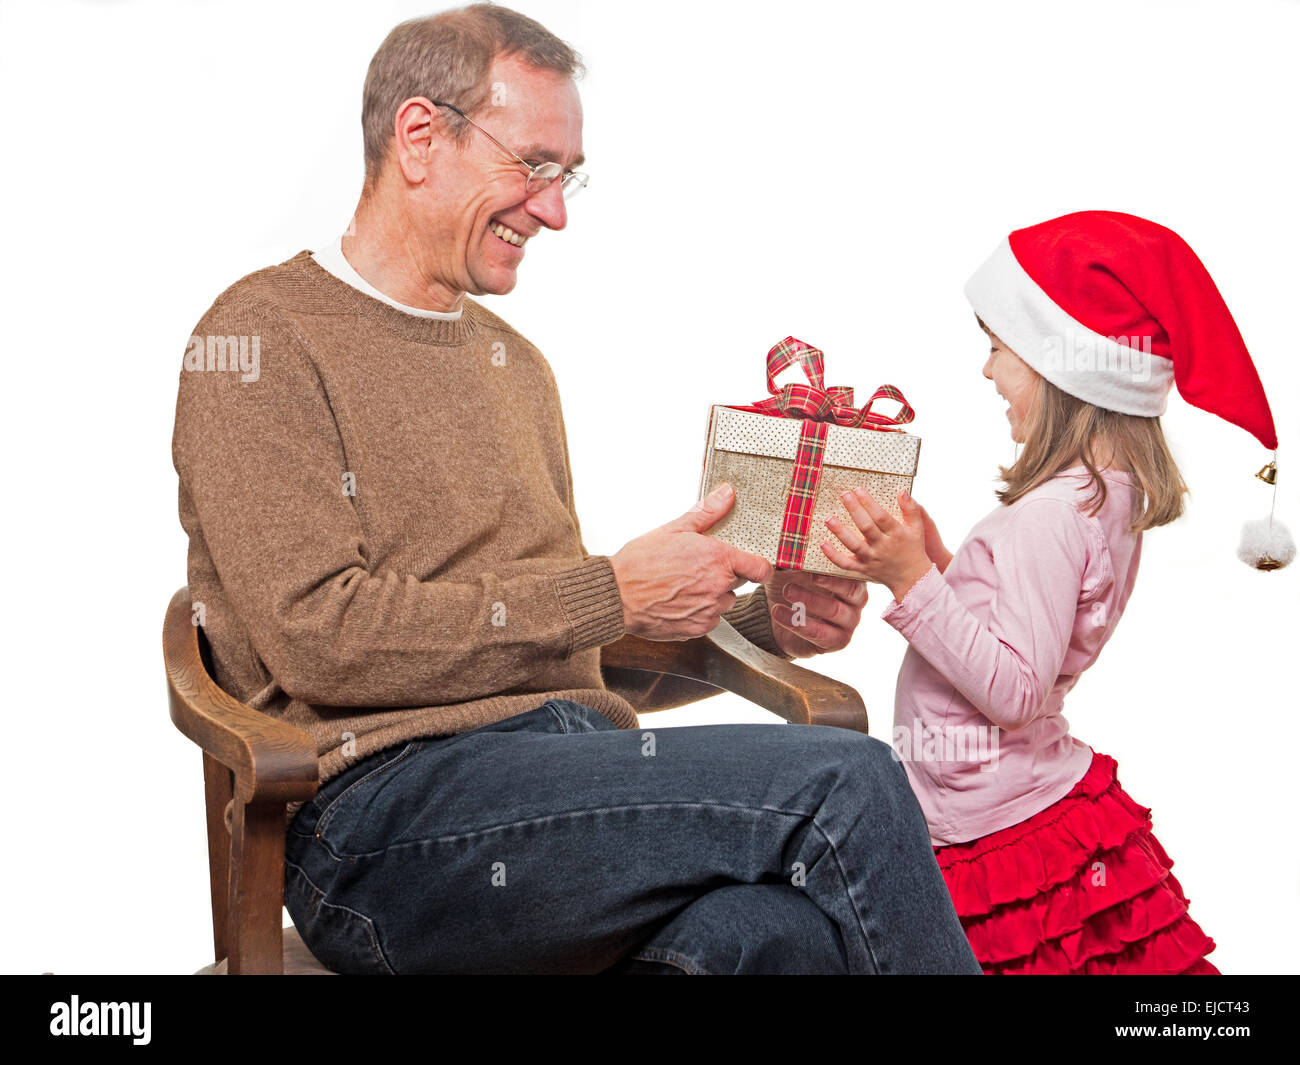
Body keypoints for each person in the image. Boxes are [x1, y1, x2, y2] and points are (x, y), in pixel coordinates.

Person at [170, 4, 981, 974]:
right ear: (420, 136)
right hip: (387, 829)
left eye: (568, 176)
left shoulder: (512, 365)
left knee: (776, 936)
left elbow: (555, 654)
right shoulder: (260, 340)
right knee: (846, 785)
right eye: (535, 166)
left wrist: (763, 621)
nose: (553, 210)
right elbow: (322, 641)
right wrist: (608, 589)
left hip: (561, 788)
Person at [820, 209, 1282, 974]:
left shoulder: (1050, 516)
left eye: (998, 349)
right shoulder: (1105, 496)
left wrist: (909, 579)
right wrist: (937, 558)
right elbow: (1019, 621)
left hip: (993, 825)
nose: (987, 371)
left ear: (1064, 368)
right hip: (1002, 801)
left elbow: (1015, 688)